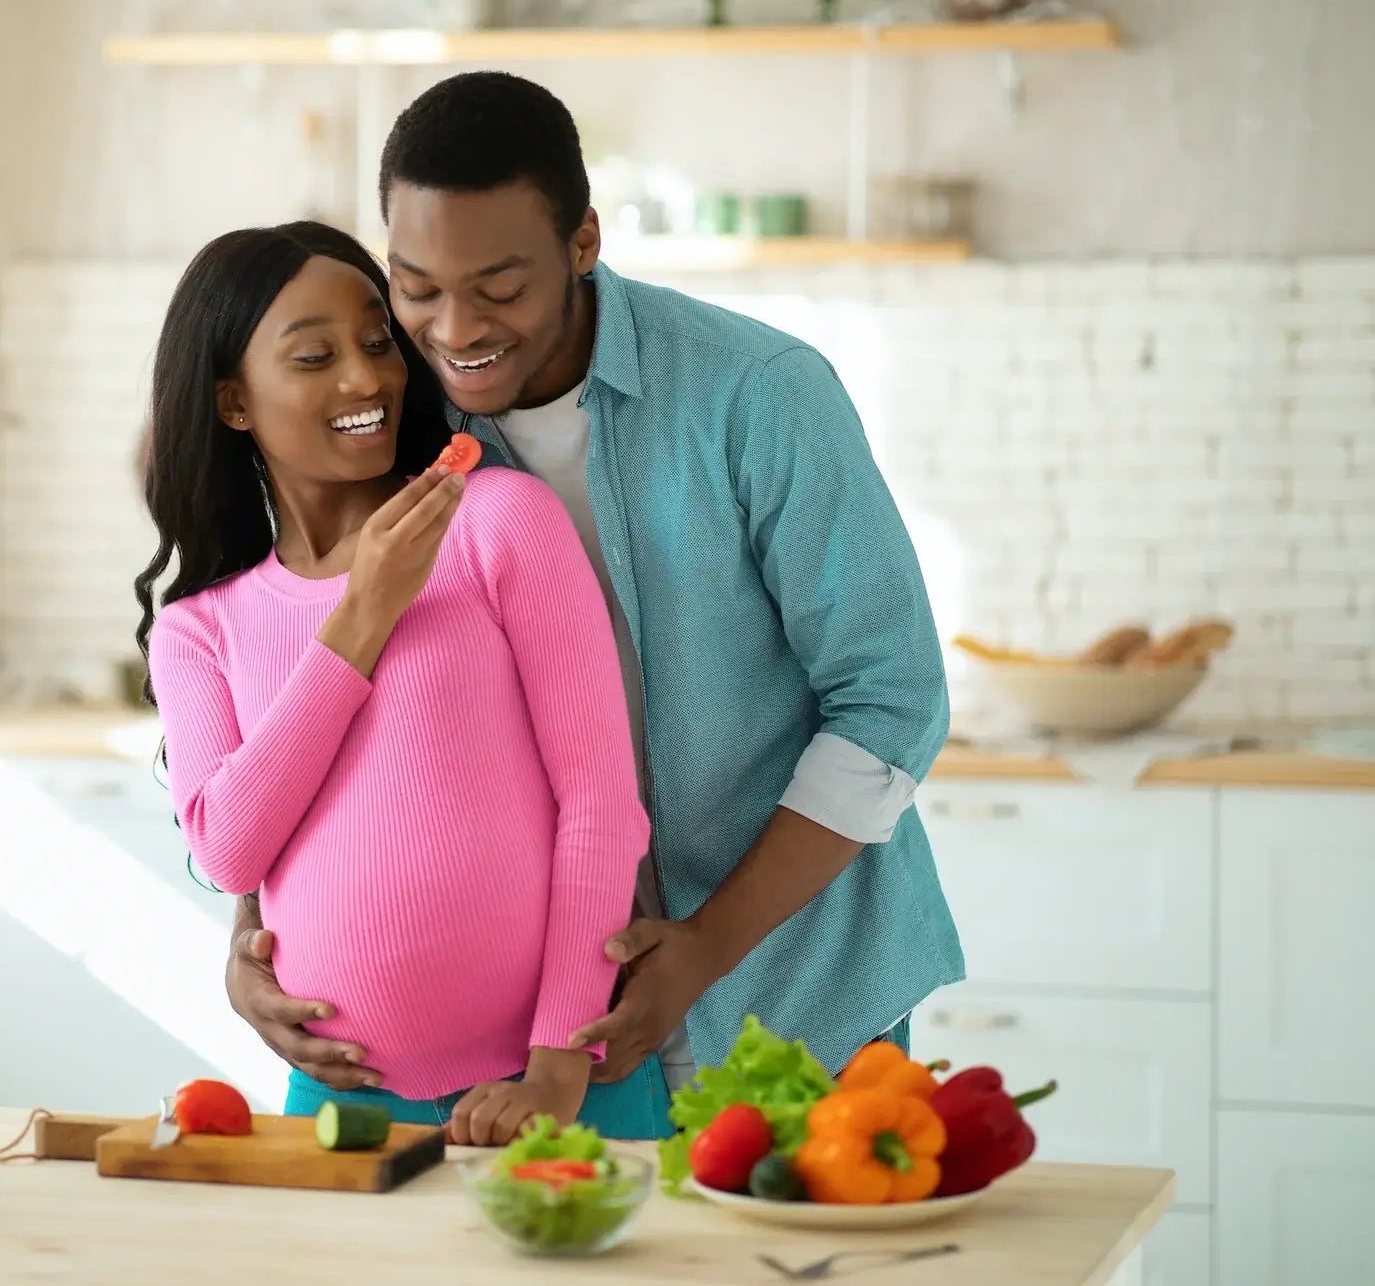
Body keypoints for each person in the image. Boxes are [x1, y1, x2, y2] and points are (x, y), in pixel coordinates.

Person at [224, 73, 965, 1096]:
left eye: (499, 286)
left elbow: (890, 703)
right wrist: (249, 935)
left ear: (582, 243)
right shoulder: (383, 424)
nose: (450, 329)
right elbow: (287, 698)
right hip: (515, 1042)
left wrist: (705, 944)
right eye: (417, 285)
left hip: (791, 995)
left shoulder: (753, 396)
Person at [136, 220, 673, 1142]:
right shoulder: (200, 628)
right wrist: (361, 616)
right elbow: (229, 850)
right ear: (233, 402)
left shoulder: (499, 523)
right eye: (315, 356)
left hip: (559, 1089)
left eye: (378, 342)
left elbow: (599, 804)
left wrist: (555, 1069)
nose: (366, 379)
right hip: (338, 1105)